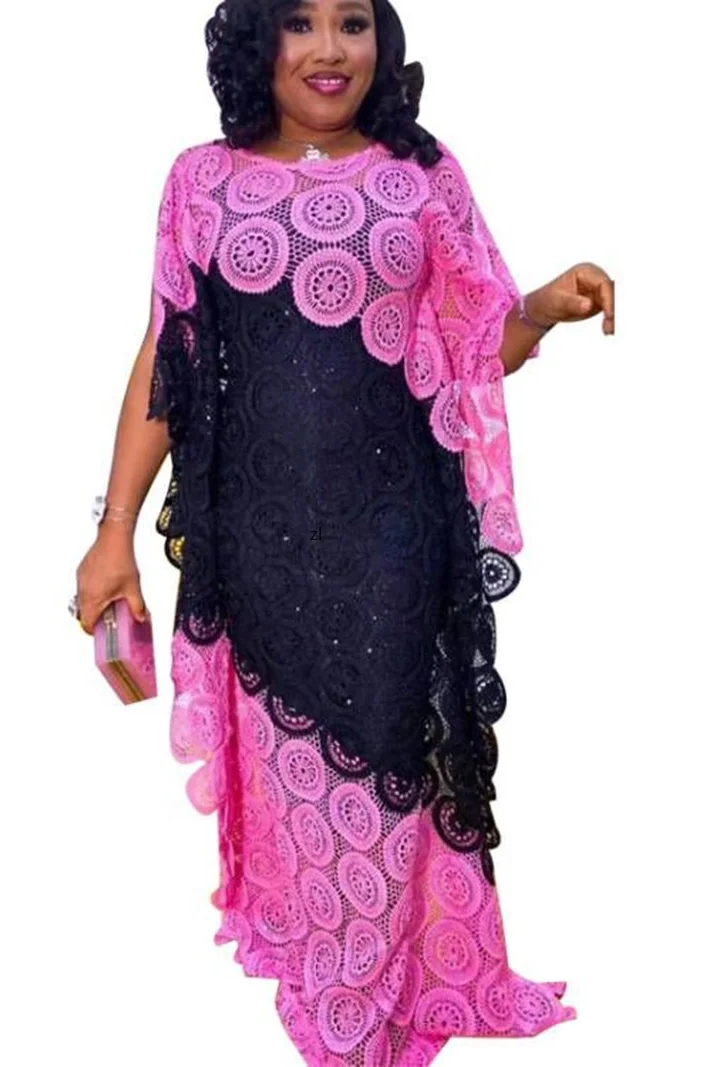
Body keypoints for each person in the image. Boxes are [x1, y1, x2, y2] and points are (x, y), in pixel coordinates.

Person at [73, 1, 615, 1062]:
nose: (330, 50)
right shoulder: (199, 182)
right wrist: (113, 530)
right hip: (256, 548)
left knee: (388, 785)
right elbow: (168, 358)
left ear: (383, 41)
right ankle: (344, 1020)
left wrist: (541, 308)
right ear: (256, 44)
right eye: (300, 23)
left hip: (393, 543)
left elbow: (473, 341)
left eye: (353, 23)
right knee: (294, 806)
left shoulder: (420, 175)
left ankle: (356, 1033)